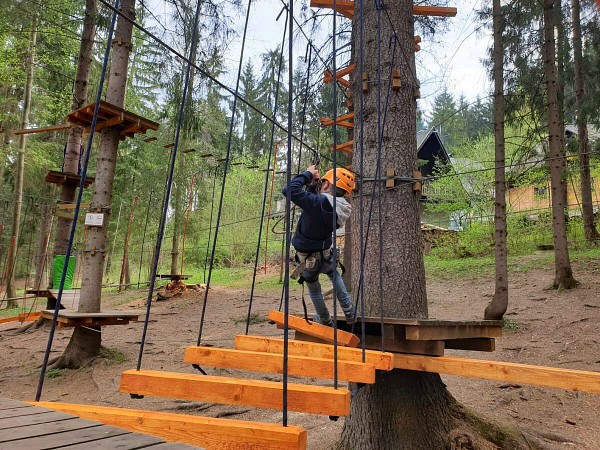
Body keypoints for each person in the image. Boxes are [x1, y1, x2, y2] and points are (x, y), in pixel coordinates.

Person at [282, 164, 356, 326]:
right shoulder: (341, 207)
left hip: (307, 257)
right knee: (334, 275)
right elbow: (314, 208)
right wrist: (312, 187)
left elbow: (289, 190)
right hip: (325, 253)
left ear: (327, 184)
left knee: (314, 288)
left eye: (323, 182)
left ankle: (325, 320)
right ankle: (350, 312)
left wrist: (307, 174)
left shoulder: (318, 203)